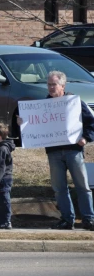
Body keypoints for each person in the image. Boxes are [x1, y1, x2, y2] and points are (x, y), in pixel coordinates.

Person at [17, 71, 94, 230]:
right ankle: (67, 220)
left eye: (54, 84)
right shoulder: (42, 106)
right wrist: (22, 123)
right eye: (49, 84)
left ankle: (88, 219)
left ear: (63, 86)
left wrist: (85, 138)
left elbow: (91, 123)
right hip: (54, 153)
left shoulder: (74, 102)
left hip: (74, 151)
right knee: (59, 189)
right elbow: (34, 126)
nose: (51, 88)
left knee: (83, 186)